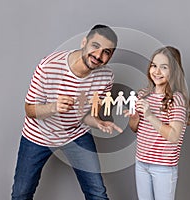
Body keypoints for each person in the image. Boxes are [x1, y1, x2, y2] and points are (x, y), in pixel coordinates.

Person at [11, 24, 122, 200]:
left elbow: (87, 116)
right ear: (84, 42)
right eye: (95, 46)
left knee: (97, 193)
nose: (98, 56)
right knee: (21, 193)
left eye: (106, 52)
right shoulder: (48, 66)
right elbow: (30, 110)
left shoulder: (106, 77)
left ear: (111, 56)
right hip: (39, 135)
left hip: (75, 134)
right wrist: (54, 107)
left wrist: (98, 122)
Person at [124, 46, 190, 200]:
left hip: (163, 167)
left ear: (174, 71)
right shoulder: (143, 94)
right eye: (154, 66)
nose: (156, 71)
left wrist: (150, 115)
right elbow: (134, 128)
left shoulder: (177, 99)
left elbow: (174, 136)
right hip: (141, 162)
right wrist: (134, 117)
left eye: (164, 67)